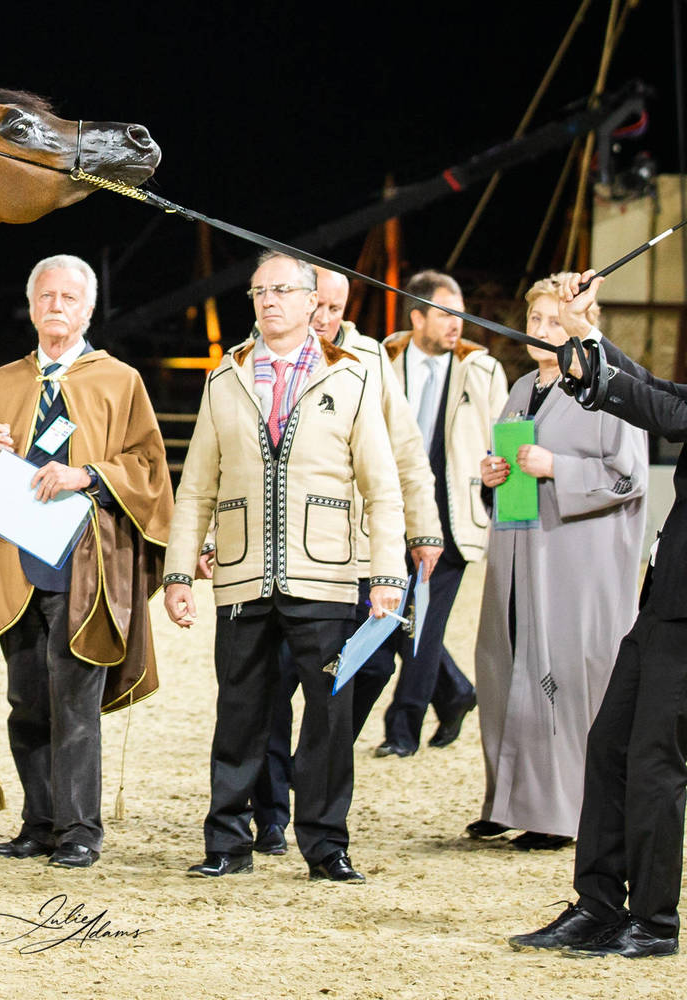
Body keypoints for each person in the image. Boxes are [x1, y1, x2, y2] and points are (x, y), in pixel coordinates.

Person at [165, 252, 406, 883]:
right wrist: (178, 573)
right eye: (259, 292)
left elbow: (381, 486)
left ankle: (326, 846)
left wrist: (386, 575)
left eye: (282, 291)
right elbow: (195, 488)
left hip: (325, 576)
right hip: (244, 575)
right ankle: (227, 843)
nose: (269, 301)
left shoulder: (352, 379)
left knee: (329, 716)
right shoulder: (226, 379)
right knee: (239, 713)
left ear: (309, 301)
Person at [0, 254, 173, 870]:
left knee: (74, 705)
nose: (56, 307)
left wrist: (87, 474)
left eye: (69, 298)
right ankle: (38, 823)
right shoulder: (1, 383)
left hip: (85, 567)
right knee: (27, 703)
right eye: (46, 296)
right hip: (17, 566)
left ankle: (79, 831)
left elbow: (150, 467)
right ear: (32, 304)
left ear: (88, 310)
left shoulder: (119, 381)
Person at [508, 270, 685, 959]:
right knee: (610, 749)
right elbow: (662, 392)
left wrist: (589, 350)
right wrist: (586, 333)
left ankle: (657, 921)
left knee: (653, 764)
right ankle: (599, 905)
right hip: (665, 602)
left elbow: (663, 413)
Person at [245, 268, 444, 855]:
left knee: (368, 669)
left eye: (335, 307)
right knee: (272, 684)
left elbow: (405, 452)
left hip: (355, 552)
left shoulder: (367, 360)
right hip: (280, 554)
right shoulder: (258, 355)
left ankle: (312, 772)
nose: (326, 318)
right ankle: (272, 810)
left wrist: (423, 528)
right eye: (320, 306)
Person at [475, 274, 647, 851]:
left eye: (554, 321)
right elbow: (506, 463)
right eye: (535, 322)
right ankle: (508, 799)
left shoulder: (607, 388)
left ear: (580, 323)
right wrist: (491, 478)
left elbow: (627, 476)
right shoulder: (523, 388)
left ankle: (562, 813)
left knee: (564, 677)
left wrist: (558, 467)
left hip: (579, 559)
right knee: (507, 663)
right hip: (520, 546)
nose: (542, 332)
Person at [355, 269, 508, 757]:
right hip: (387, 513)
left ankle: (403, 730)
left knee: (421, 624)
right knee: (390, 618)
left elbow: (502, 435)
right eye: (444, 313)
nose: (455, 323)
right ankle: (456, 691)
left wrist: (493, 474)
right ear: (416, 316)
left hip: (452, 518)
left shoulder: (482, 370)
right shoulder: (380, 359)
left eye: (459, 313)